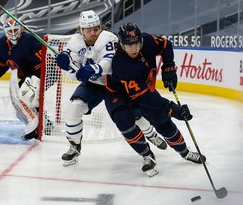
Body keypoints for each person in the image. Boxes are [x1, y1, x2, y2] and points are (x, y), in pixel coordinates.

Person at [55, 10, 167, 167]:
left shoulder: (108, 38)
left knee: (134, 115)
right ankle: (74, 147)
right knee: (73, 109)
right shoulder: (74, 43)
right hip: (94, 85)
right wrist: (67, 67)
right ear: (81, 30)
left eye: (96, 28)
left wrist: (94, 69)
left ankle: (151, 134)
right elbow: (72, 77)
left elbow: (107, 64)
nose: (93, 33)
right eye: (89, 30)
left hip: (115, 84)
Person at [105, 22, 206, 177]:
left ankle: (185, 152)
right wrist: (171, 107)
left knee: (163, 122)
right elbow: (144, 98)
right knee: (124, 121)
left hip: (145, 90)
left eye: (137, 44)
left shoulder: (148, 42)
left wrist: (169, 67)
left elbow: (166, 45)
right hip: (118, 94)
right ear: (121, 44)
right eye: (128, 45)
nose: (134, 48)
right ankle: (147, 155)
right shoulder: (122, 64)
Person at [0, 17, 45, 140]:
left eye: (16, 30)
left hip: (40, 73)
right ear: (5, 31)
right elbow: (0, 63)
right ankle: (43, 124)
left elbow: (42, 65)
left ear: (21, 29)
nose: (13, 34)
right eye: (10, 31)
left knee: (24, 97)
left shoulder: (30, 41)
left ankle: (34, 122)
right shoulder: (2, 44)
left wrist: (36, 81)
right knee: (19, 110)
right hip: (27, 77)